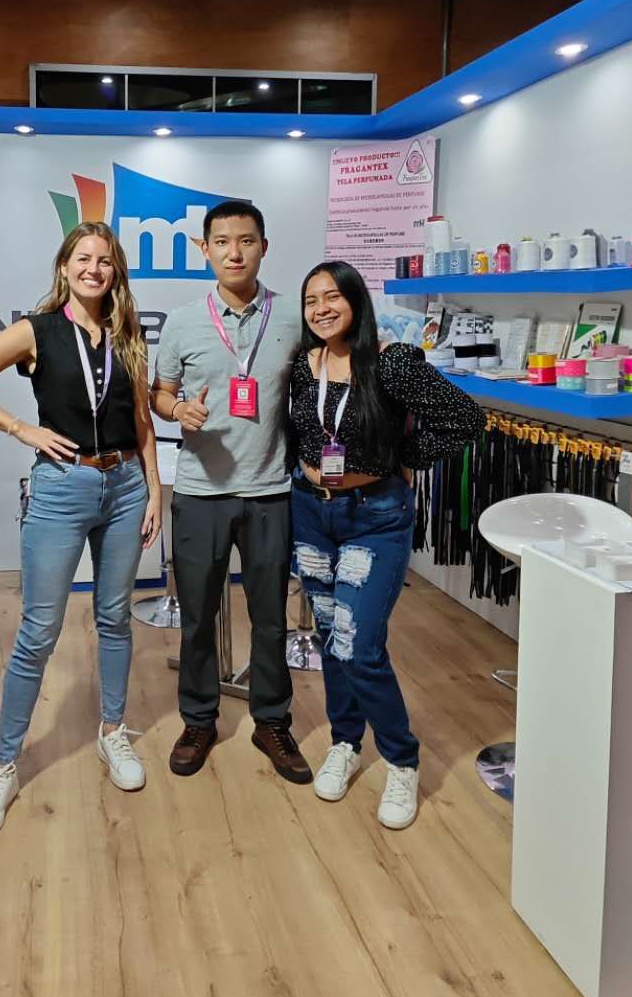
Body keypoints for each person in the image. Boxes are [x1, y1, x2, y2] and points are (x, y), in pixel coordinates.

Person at [0, 223, 161, 840]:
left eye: (105, 261)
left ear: (116, 271)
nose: (94, 269)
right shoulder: (35, 331)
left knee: (114, 616)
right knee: (39, 631)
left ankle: (113, 732)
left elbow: (142, 419)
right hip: (62, 487)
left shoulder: (126, 332)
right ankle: (3, 768)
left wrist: (152, 490)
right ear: (65, 266)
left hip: (125, 485)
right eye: (83, 258)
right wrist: (22, 429)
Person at [287, 261, 483, 829]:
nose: (321, 309)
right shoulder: (304, 364)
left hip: (373, 516)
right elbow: (300, 432)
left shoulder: (391, 363)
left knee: (360, 646)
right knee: (330, 637)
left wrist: (403, 459)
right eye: (311, 300)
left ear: (356, 301)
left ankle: (401, 759)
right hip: (311, 512)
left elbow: (465, 419)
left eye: (332, 297)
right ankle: (345, 742)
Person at [152, 200, 311, 783]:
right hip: (201, 492)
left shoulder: (293, 316)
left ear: (263, 247)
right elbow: (160, 393)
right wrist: (177, 409)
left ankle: (272, 721)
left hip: (270, 491)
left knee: (270, 617)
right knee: (197, 617)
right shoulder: (182, 322)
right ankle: (199, 720)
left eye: (246, 241)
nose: (234, 252)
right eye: (221, 242)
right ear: (204, 249)